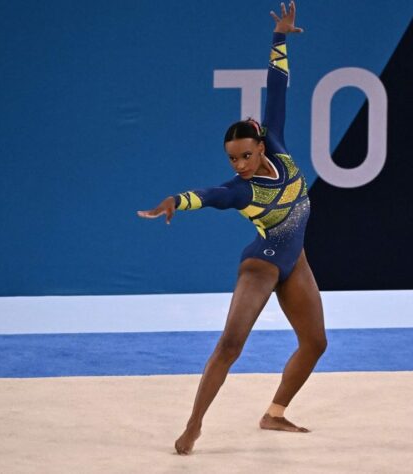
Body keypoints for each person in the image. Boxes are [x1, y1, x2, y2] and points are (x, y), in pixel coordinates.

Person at [137, 1, 326, 455]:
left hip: (294, 261)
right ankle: (193, 426)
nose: (239, 165)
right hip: (261, 266)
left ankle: (274, 413)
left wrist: (278, 40)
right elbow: (210, 195)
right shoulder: (240, 191)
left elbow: (277, 89)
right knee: (230, 344)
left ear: (261, 145)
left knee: (316, 343)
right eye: (232, 159)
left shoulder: (277, 144)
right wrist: (176, 202)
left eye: (245, 154)